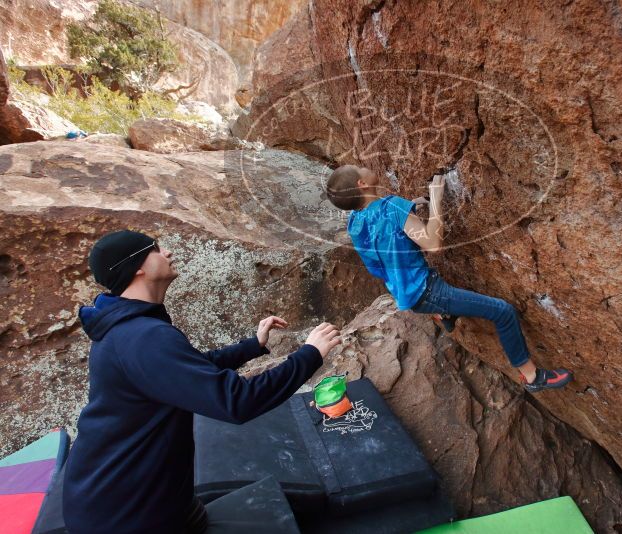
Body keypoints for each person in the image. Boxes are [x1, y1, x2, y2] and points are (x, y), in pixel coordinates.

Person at [62, 230, 341, 534]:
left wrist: (252, 345)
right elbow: (237, 401)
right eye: (155, 249)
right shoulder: (143, 337)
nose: (167, 252)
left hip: (140, 497)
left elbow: (187, 371)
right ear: (138, 267)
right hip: (126, 515)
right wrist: (310, 354)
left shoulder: (128, 328)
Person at [325, 165, 573, 393]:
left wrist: (406, 211)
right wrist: (436, 199)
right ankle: (532, 376)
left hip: (405, 292)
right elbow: (432, 244)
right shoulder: (392, 207)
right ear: (361, 184)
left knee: (450, 304)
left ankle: (445, 314)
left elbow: (378, 257)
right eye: (359, 169)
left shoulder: (355, 222)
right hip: (428, 291)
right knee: (503, 312)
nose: (365, 166)